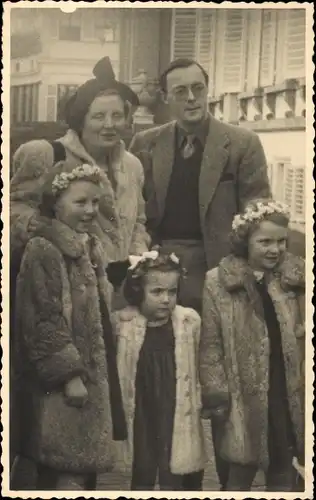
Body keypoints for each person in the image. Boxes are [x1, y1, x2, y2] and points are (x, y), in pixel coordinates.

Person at [129, 57, 271, 488]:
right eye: (180, 91)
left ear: (207, 90)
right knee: (167, 380)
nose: (190, 98)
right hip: (162, 276)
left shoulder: (242, 143)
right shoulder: (147, 144)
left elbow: (256, 212)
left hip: (221, 276)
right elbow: (137, 214)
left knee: (222, 384)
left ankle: (229, 485)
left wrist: (242, 273)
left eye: (197, 88)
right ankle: (167, 480)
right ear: (166, 97)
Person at [12, 160, 127, 490]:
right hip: (63, 377)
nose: (90, 210)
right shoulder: (45, 249)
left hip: (91, 368)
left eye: (95, 202)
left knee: (83, 462)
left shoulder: (88, 245)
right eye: (80, 202)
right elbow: (42, 317)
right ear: (56, 204)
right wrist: (69, 374)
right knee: (61, 460)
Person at [199, 199, 305, 491]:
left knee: (285, 465)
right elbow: (211, 345)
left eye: (281, 241)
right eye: (265, 242)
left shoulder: (296, 280)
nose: (275, 249)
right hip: (240, 392)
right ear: (245, 242)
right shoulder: (218, 283)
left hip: (284, 387)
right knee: (239, 470)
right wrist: (216, 393)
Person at [10, 56, 150, 266]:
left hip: (121, 285)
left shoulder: (132, 166)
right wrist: (58, 234)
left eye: (117, 115)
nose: (109, 124)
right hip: (64, 281)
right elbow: (15, 212)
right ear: (81, 118)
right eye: (99, 116)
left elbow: (138, 222)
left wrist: (139, 258)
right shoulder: (46, 155)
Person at [112, 250, 206, 491]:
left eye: (172, 292)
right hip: (141, 404)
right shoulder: (124, 324)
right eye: (157, 292)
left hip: (174, 403)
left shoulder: (188, 322)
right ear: (137, 291)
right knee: (141, 459)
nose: (166, 299)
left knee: (174, 458)